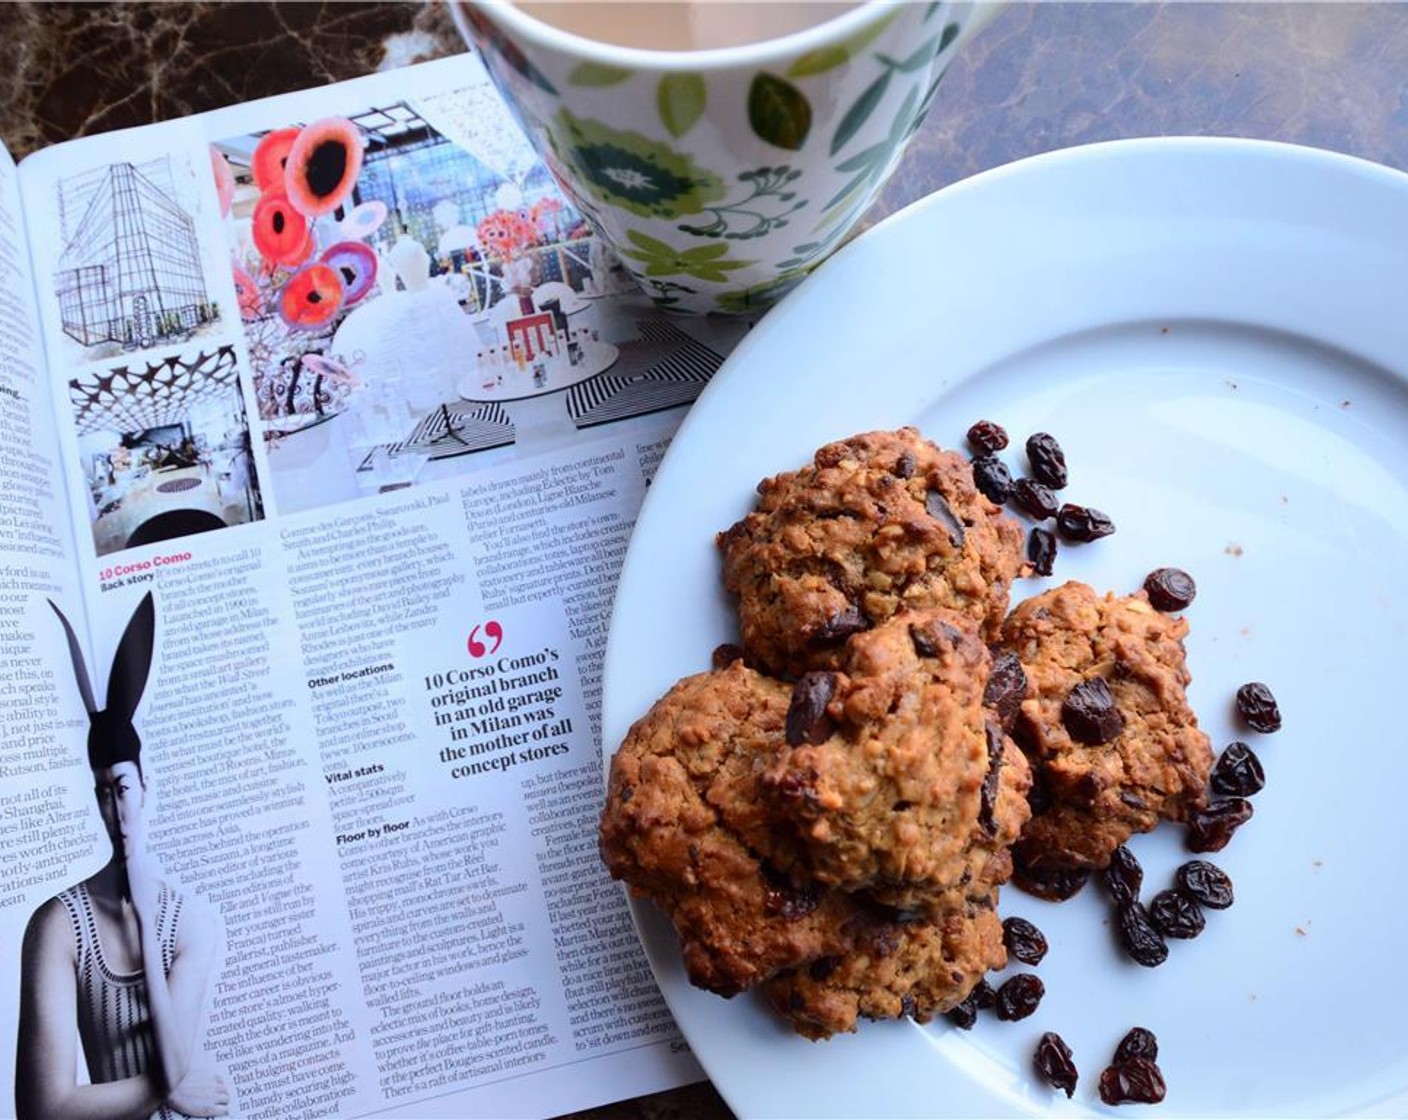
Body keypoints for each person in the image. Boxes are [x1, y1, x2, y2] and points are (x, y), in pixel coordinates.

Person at [16, 594, 228, 1119]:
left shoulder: (192, 920)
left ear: (146, 786)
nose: (116, 809)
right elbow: (42, 1110)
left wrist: (146, 921)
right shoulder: (57, 925)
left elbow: (172, 1055)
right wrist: (167, 1088)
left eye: (123, 788)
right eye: (102, 792)